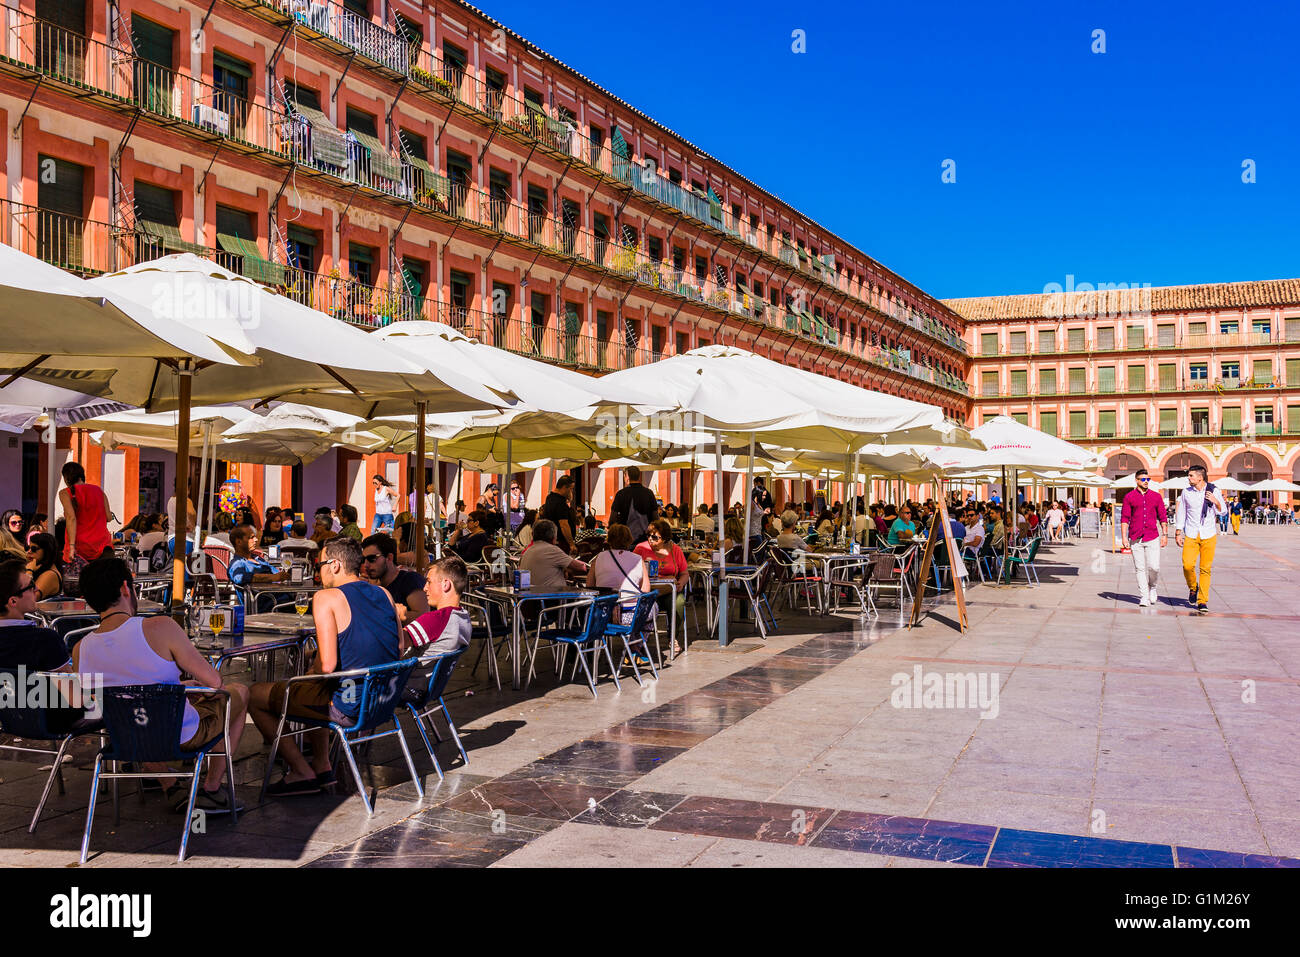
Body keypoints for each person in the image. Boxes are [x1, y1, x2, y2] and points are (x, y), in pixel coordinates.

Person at [73, 557, 248, 811]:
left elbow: (92, 704)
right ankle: (211, 789)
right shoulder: (160, 626)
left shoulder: (82, 648)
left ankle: (172, 785)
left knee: (136, 717)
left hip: (126, 739)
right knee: (238, 692)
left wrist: (176, 687)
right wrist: (185, 689)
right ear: (126, 588)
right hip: (181, 736)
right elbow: (214, 681)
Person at [249, 536, 401, 796]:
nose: (317, 571)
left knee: (255, 694)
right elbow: (399, 647)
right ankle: (322, 763)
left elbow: (327, 665)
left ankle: (300, 770)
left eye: (319, 564)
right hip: (383, 700)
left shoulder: (326, 597)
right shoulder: (384, 593)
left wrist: (308, 672)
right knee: (318, 687)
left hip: (349, 706)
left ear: (335, 565)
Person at [400, 555, 473, 696]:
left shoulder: (437, 619)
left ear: (446, 584)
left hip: (404, 686)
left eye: (428, 582)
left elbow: (398, 641)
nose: (424, 588)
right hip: (431, 688)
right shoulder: (463, 617)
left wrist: (398, 616)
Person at [1174, 465, 1227, 614]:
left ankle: (1202, 600)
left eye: (1191, 475)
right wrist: (1178, 532)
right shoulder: (1186, 492)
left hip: (1208, 534)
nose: (1188, 478)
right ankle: (1193, 587)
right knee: (1187, 565)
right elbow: (1182, 512)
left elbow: (1223, 511)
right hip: (1191, 533)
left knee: (1205, 569)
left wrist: (1216, 501)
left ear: (1200, 477)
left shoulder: (1214, 490)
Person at [0, 560, 69, 671]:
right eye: (31, 585)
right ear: (13, 601)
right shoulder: (45, 640)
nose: (36, 588)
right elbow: (70, 687)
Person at [1120, 469, 1168, 608]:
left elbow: (1162, 517)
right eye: (1143, 479)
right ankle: (1144, 596)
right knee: (1140, 568)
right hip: (1135, 537)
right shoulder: (1129, 497)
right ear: (1136, 480)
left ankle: (1153, 586)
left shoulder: (1156, 496)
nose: (1146, 482)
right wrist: (1124, 537)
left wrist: (1164, 535)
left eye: (1148, 479)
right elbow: (1124, 518)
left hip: (1152, 536)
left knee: (1154, 567)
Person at [587, 524, 650, 626]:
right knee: (654, 607)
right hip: (630, 614)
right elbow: (646, 590)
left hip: (603, 615)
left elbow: (589, 587)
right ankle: (636, 640)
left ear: (609, 539)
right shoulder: (638, 559)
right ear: (629, 540)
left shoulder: (598, 558)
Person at [361, 533, 428, 625]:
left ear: (389, 558)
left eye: (372, 558)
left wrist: (390, 614)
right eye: (363, 559)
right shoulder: (369, 585)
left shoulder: (410, 580)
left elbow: (424, 617)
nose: (366, 565)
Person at [59, 462, 113, 568]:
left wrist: (71, 547)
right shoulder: (98, 490)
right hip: (102, 547)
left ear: (66, 478)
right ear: (82, 475)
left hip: (79, 549)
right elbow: (108, 517)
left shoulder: (65, 493)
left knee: (81, 583)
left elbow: (71, 518)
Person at [518, 519, 586, 591]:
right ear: (553, 537)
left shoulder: (527, 551)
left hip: (529, 599)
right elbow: (581, 567)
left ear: (533, 534)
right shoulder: (551, 550)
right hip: (551, 599)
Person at [609, 466, 659, 545]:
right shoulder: (649, 493)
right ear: (639, 476)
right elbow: (656, 517)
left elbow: (612, 518)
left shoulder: (621, 494)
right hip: (645, 539)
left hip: (625, 539)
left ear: (627, 476)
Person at [540, 476, 579, 554]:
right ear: (564, 487)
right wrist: (571, 544)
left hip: (551, 540)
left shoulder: (549, 497)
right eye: (571, 489)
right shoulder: (560, 503)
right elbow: (564, 525)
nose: (571, 491)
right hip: (560, 543)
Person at [25, 532, 63, 600]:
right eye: (28, 548)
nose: (29, 551)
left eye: (34, 548)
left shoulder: (50, 574)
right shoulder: (38, 568)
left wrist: (29, 571)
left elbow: (30, 599)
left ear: (47, 550)